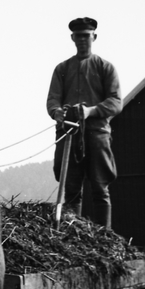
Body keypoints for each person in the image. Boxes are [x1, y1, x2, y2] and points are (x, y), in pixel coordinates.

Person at [46, 17, 122, 228]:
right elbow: (52, 100)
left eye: (86, 36)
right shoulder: (62, 69)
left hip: (97, 133)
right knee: (71, 189)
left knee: (100, 188)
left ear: (94, 37)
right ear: (72, 38)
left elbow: (116, 102)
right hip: (69, 133)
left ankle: (105, 237)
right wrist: (58, 112)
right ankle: (72, 234)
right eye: (78, 36)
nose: (82, 40)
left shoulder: (105, 68)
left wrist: (91, 111)